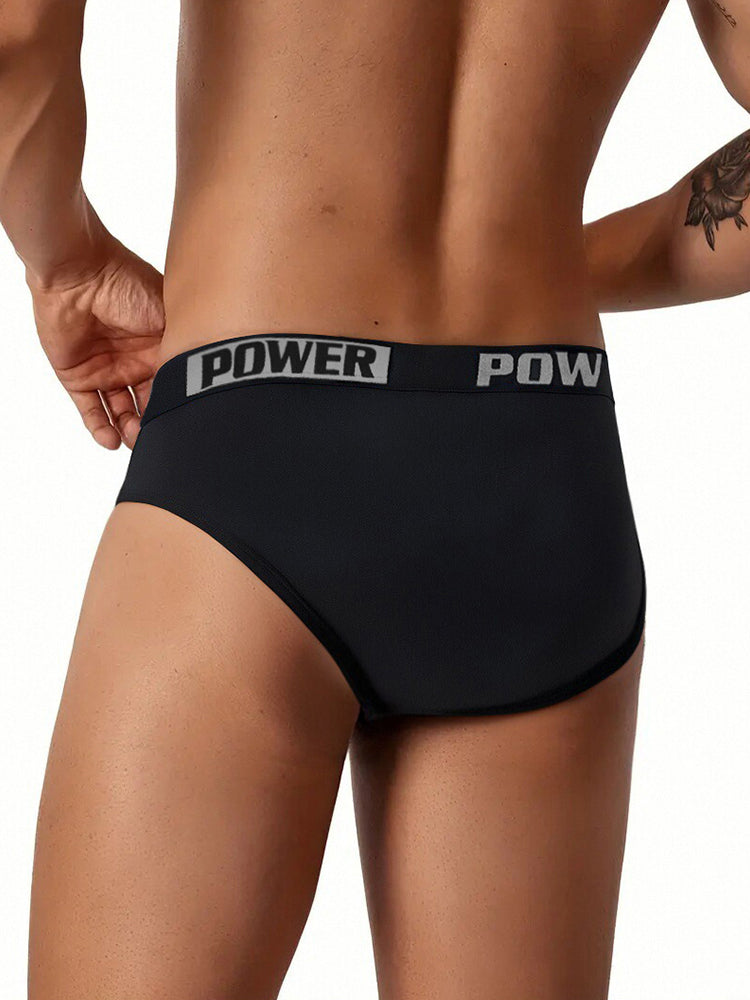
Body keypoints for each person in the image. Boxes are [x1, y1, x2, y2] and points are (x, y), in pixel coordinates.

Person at [0, 0, 747, 996]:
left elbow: (18, 32)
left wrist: (66, 260)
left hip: (257, 434)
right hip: (538, 462)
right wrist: (547, 262)